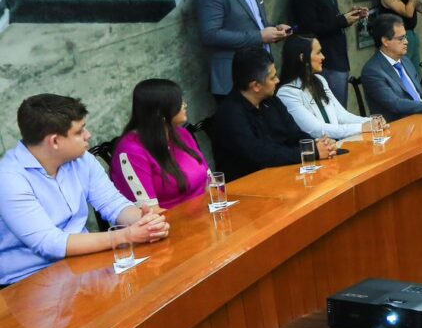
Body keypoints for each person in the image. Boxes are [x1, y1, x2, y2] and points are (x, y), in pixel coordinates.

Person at [0, 94, 168, 287]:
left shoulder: (81, 158)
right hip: (28, 282)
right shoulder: (9, 179)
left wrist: (145, 222)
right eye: (79, 131)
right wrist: (127, 235)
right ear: (54, 141)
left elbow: (113, 204)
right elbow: (49, 243)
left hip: (84, 264)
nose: (88, 135)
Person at [211, 48, 338, 181]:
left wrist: (319, 145)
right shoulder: (230, 115)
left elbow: (295, 134)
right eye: (272, 78)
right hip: (250, 184)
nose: (278, 80)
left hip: (284, 175)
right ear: (256, 86)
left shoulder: (271, 101)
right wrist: (311, 152)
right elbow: (260, 155)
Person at [290, 0, 367, 109]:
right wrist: (342, 21)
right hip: (325, 64)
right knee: (333, 113)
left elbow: (328, 20)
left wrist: (349, 16)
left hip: (337, 60)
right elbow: (309, 28)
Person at [110, 79, 210, 209]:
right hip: (172, 220)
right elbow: (150, 212)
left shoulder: (182, 133)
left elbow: (210, 181)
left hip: (207, 212)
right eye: (178, 102)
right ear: (159, 112)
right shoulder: (131, 151)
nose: (185, 105)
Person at [277, 34, 377, 140]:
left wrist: (371, 122)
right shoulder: (286, 93)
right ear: (302, 58)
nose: (323, 57)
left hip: (336, 144)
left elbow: (342, 115)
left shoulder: (320, 80)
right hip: (317, 148)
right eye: (318, 53)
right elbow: (316, 130)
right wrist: (361, 127)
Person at [360, 14, 422, 121]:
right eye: (401, 38)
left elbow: (421, 95)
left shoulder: (405, 61)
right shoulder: (372, 71)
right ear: (385, 41)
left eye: (405, 37)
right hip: (399, 124)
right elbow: (395, 104)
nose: (406, 42)